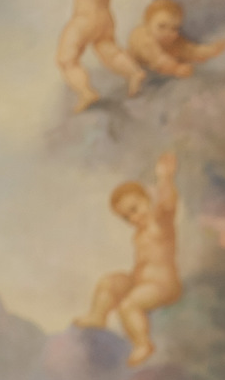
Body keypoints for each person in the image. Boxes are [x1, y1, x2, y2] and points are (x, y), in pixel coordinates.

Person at [74, 153, 182, 366]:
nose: (133, 218)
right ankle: (97, 316)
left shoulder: (160, 222)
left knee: (128, 306)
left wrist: (165, 178)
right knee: (108, 282)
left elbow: (168, 203)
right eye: (126, 217)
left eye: (134, 209)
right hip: (141, 281)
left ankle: (142, 343)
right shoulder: (139, 232)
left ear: (147, 199)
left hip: (163, 285)